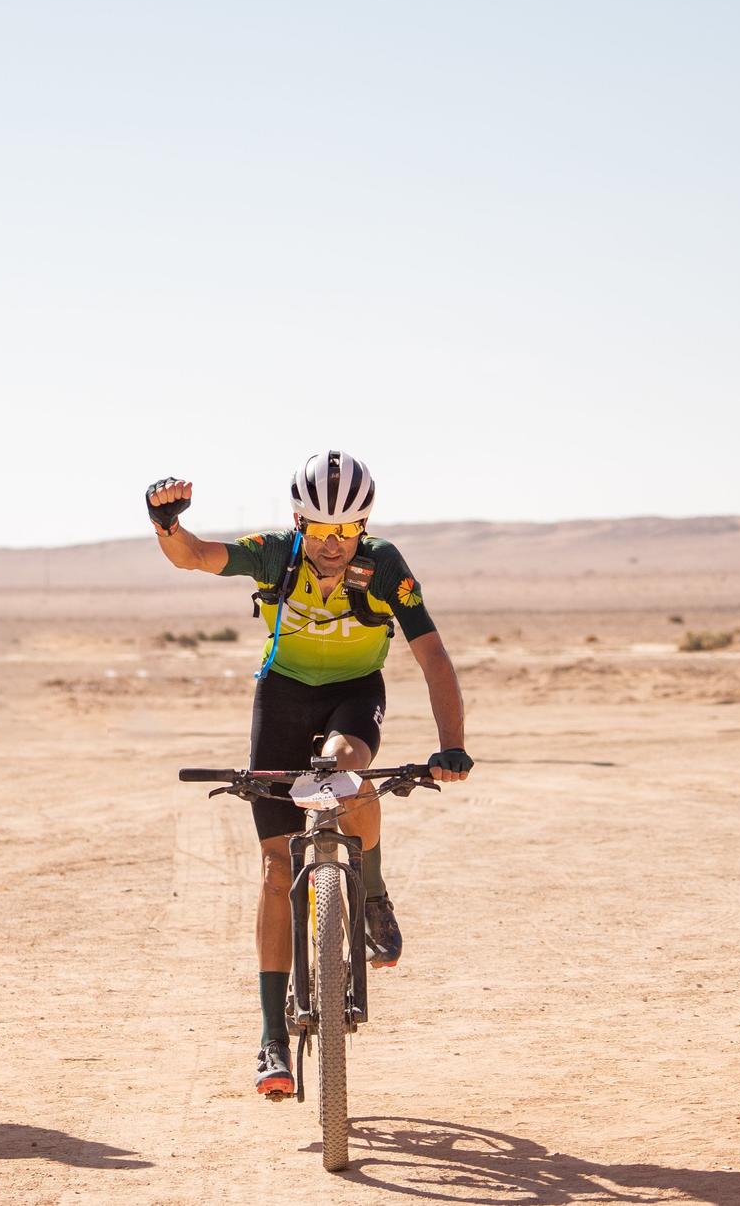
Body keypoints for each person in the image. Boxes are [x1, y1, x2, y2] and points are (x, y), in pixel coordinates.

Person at [146, 451, 472, 1097]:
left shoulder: (385, 567)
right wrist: (167, 524)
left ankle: (372, 894)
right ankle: (272, 1037)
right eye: (319, 528)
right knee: (273, 868)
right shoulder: (277, 555)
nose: (330, 542)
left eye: (345, 528)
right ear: (298, 519)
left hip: (353, 693)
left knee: (349, 768)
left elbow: (432, 655)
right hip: (283, 698)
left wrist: (451, 745)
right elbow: (196, 556)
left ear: (364, 523)